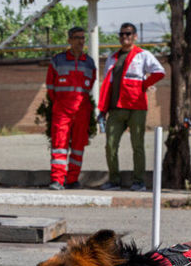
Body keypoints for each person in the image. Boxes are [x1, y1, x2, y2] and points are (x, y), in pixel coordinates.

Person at [97, 22, 165, 191]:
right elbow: (107, 84)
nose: (124, 37)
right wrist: (103, 110)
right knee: (110, 145)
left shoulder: (143, 55)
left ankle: (139, 181)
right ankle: (114, 180)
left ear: (135, 36)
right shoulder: (112, 58)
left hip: (137, 107)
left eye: (128, 34)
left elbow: (160, 71)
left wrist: (144, 84)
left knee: (138, 146)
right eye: (121, 34)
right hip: (115, 109)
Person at [45, 27, 96, 190]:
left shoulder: (89, 62)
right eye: (77, 38)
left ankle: (72, 179)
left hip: (82, 110)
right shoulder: (57, 60)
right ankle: (57, 180)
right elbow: (51, 87)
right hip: (62, 110)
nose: (81, 41)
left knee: (78, 146)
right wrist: (61, 103)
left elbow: (90, 85)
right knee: (60, 144)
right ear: (69, 40)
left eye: (83, 38)